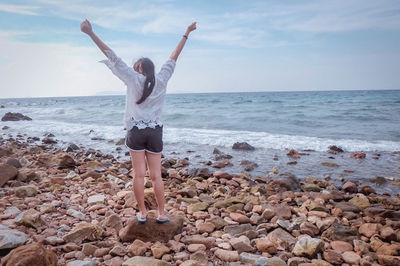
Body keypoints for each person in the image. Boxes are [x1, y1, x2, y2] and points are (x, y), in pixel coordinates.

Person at [81, 19, 197, 223]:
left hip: (136, 130)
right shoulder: (162, 79)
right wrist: (186, 32)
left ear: (140, 68)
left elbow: (112, 57)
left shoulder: (133, 78)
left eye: (135, 67)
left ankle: (143, 213)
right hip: (155, 132)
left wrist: (91, 33)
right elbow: (174, 56)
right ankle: (161, 213)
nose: (133, 70)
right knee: (156, 176)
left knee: (138, 175)